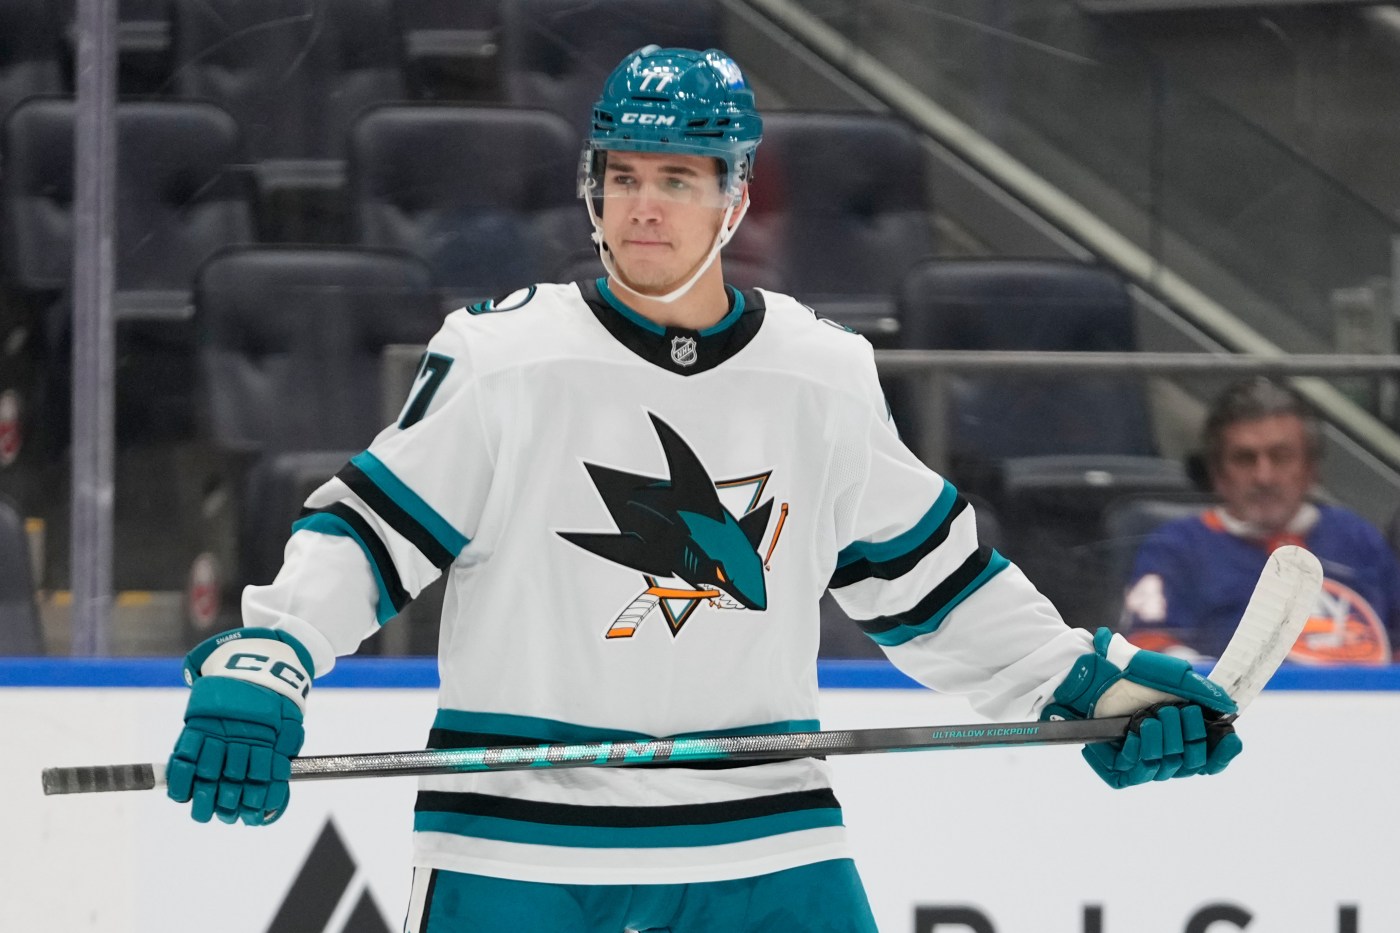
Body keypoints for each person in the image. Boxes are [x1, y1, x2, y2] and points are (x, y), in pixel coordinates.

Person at [164, 46, 1241, 932]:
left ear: (735, 199)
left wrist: (1085, 688)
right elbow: (366, 535)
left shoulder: (820, 374)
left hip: (761, 835)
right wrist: (270, 660)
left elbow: (935, 587)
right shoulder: (502, 359)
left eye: (677, 179)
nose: (642, 207)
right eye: (623, 176)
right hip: (519, 840)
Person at [1122, 377, 1400, 664]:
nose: (1264, 477)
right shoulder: (1176, 548)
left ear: (1311, 469)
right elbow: (1146, 648)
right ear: (1218, 473)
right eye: (1245, 459)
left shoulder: (1358, 538)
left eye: (1280, 457)